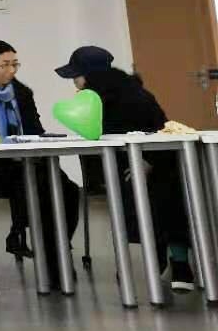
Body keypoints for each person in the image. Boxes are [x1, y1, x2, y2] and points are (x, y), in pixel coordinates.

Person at [56, 45, 194, 291]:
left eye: (77, 75)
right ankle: (174, 259)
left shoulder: (132, 98)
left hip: (151, 164)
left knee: (159, 190)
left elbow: (160, 131)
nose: (74, 81)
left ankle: (174, 260)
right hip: (133, 166)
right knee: (155, 191)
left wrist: (146, 161)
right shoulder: (127, 93)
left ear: (90, 75)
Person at [0, 39, 79, 276]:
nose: (11, 70)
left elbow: (35, 129)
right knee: (27, 186)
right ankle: (17, 237)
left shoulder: (22, 93)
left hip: (27, 161)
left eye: (15, 64)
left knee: (69, 192)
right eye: (5, 64)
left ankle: (57, 251)